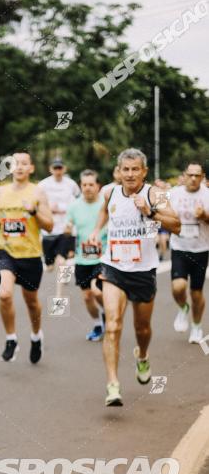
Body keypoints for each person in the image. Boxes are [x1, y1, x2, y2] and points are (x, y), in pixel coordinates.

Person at [88, 149, 181, 407]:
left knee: (142, 329)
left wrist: (150, 211)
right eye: (125, 169)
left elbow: (176, 224)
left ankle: (142, 355)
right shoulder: (110, 192)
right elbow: (104, 212)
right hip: (113, 267)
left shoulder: (155, 194)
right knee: (113, 324)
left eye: (135, 169)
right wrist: (97, 231)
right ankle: (113, 384)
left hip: (143, 270)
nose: (130, 174)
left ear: (144, 171)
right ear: (119, 171)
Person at [0, 151, 53, 364]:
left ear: (31, 168)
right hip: (6, 251)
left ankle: (36, 336)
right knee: (4, 295)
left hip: (31, 254)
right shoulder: (2, 190)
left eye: (24, 163)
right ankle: (11, 338)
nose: (20, 167)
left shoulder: (38, 192)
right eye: (16, 163)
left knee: (31, 302)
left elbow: (49, 225)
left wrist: (34, 212)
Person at [169, 160, 209, 343]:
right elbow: (161, 215)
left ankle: (197, 326)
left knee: (196, 293)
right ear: (184, 175)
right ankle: (183, 308)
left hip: (201, 249)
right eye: (190, 174)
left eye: (197, 175)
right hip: (179, 247)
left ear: (202, 177)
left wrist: (205, 216)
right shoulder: (173, 194)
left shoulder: (207, 195)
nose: (193, 178)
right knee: (178, 287)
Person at [65, 170, 107, 341]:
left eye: (91, 184)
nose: (88, 188)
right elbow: (69, 227)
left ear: (98, 186)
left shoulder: (106, 204)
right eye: (84, 185)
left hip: (103, 258)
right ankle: (98, 323)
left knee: (97, 291)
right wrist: (67, 230)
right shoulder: (74, 206)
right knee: (87, 296)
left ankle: (108, 314)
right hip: (82, 259)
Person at [38, 158, 80, 289]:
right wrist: (49, 208)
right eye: (55, 168)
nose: (58, 171)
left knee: (62, 260)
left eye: (60, 168)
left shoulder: (71, 184)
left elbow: (79, 200)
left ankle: (61, 290)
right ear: (51, 169)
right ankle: (53, 266)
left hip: (65, 228)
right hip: (49, 229)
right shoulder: (43, 185)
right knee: (50, 266)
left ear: (64, 169)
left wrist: (70, 212)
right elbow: (36, 202)